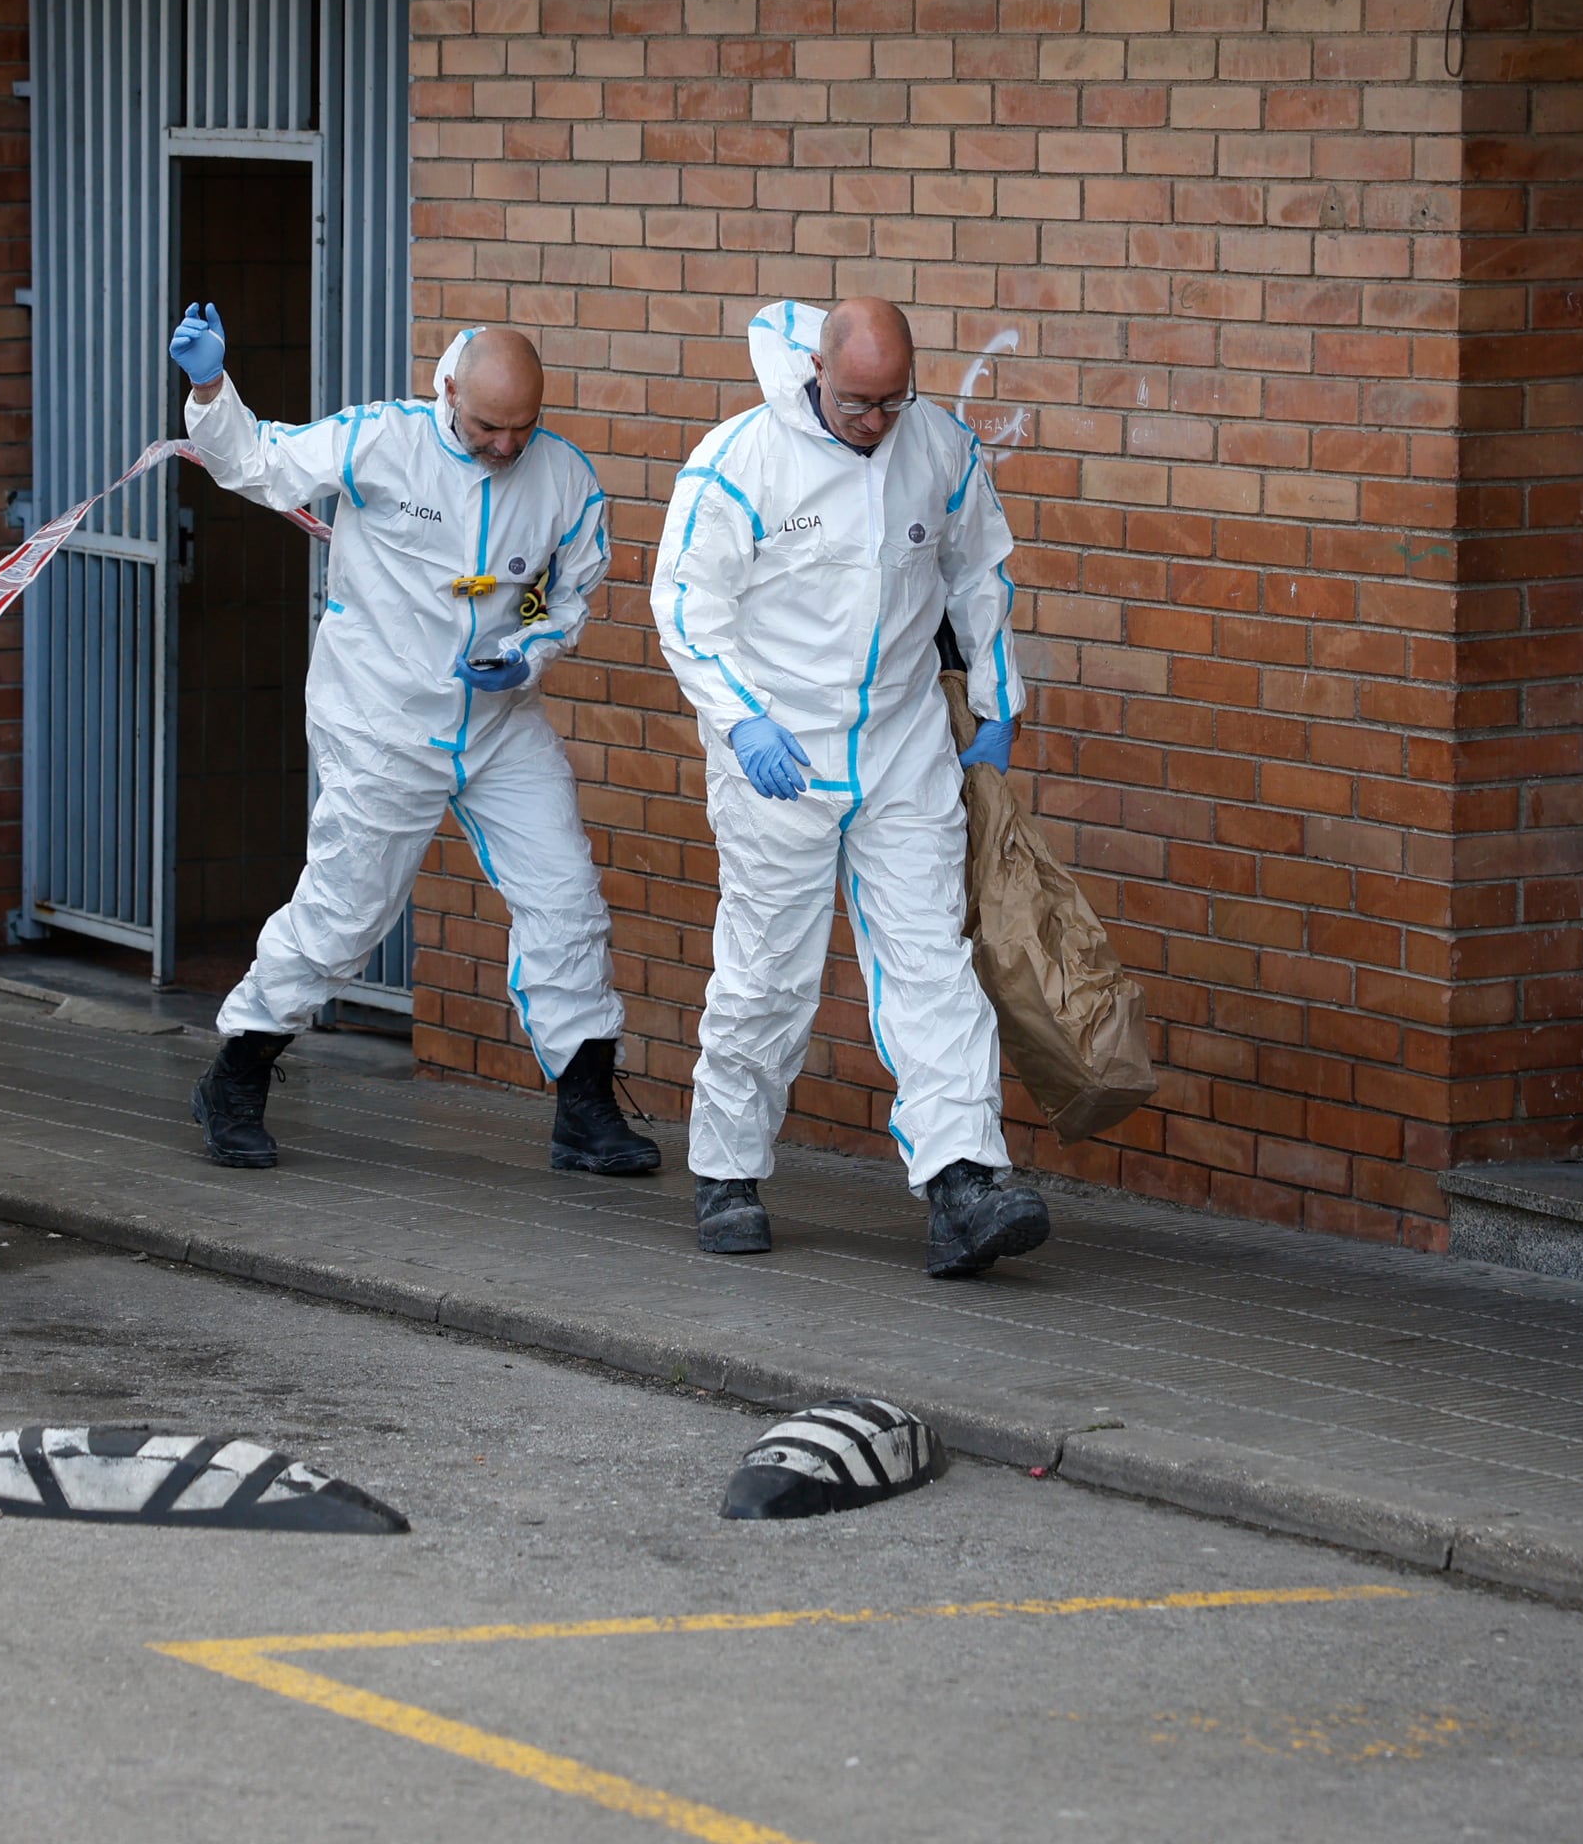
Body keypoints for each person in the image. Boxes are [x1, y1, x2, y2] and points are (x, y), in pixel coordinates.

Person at [167, 304, 656, 1178]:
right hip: (382, 721)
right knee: (346, 913)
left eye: (523, 428)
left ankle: (585, 1108)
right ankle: (235, 1073)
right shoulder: (380, 440)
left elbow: (561, 591)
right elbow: (260, 467)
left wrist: (529, 647)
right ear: (447, 393)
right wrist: (210, 386)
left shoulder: (566, 482)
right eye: (487, 428)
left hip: (500, 727)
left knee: (567, 899)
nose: (506, 447)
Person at [650, 296, 1052, 1275]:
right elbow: (685, 602)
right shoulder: (739, 460)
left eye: (892, 399)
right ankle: (728, 1168)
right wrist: (740, 714)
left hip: (900, 747)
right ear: (816, 376)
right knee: (767, 971)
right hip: (777, 757)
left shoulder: (939, 448)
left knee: (931, 963)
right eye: (858, 401)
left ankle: (963, 1178)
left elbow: (978, 572)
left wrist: (995, 706)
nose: (876, 421)